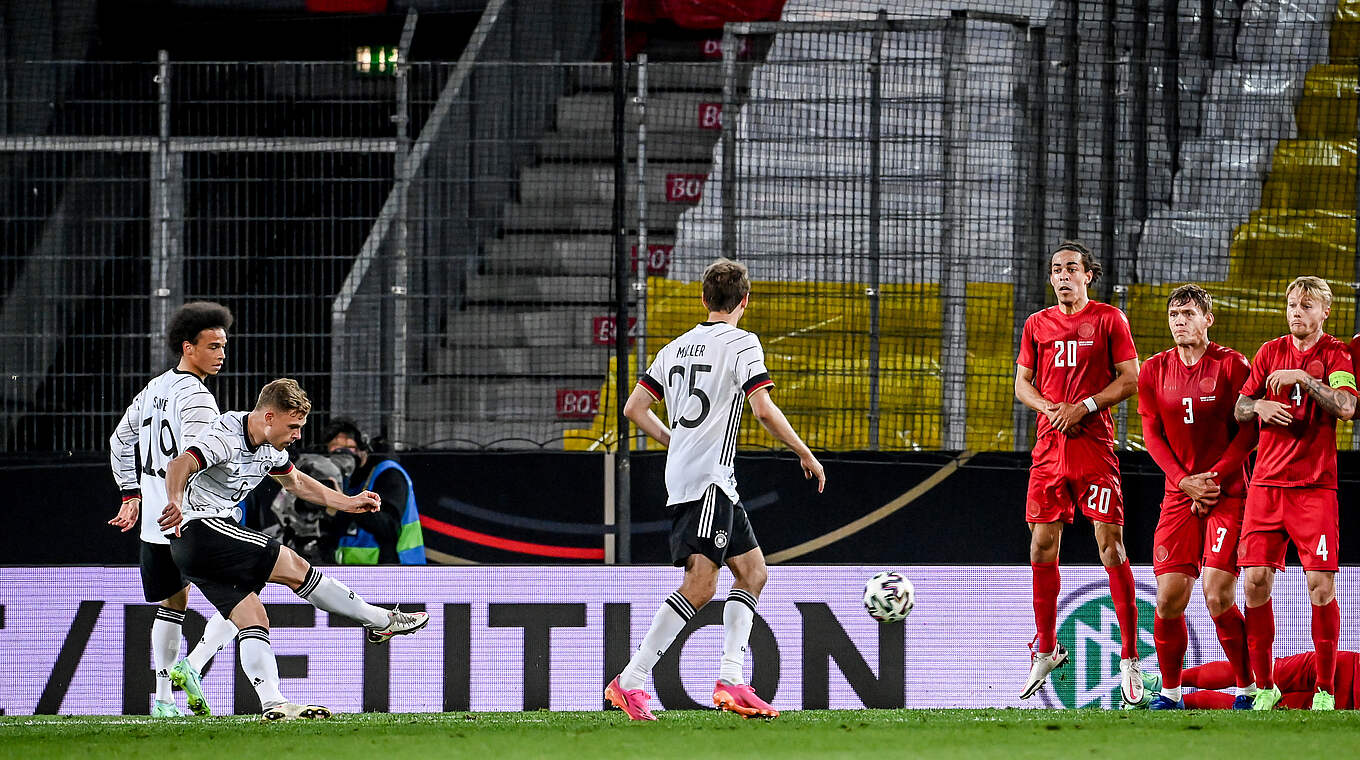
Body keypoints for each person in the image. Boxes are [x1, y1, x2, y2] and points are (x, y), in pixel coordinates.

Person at [604, 258, 825, 721]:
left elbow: (634, 408)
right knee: (701, 585)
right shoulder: (743, 343)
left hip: (702, 479)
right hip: (707, 480)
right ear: (745, 301)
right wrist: (804, 452)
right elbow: (762, 409)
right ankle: (630, 681)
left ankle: (731, 679)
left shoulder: (674, 347)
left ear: (703, 300)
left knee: (753, 573)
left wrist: (673, 441)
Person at [160, 379, 430, 720]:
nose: (298, 434)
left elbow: (298, 482)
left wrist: (347, 502)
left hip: (197, 547)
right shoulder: (226, 435)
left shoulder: (271, 449)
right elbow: (180, 464)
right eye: (294, 426)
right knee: (292, 565)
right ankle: (380, 620)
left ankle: (273, 703)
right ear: (269, 417)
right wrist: (174, 501)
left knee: (252, 617)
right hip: (201, 530)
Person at [1015, 241, 1143, 705]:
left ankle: (1129, 659)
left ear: (1089, 274)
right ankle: (1046, 648)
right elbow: (1021, 384)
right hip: (1050, 448)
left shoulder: (1110, 319)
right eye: (1056, 269)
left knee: (1110, 546)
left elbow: (1131, 378)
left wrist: (1084, 406)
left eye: (1071, 268)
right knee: (1041, 545)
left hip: (1093, 447)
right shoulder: (1037, 324)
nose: (1063, 276)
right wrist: (1050, 408)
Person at [108, 301, 241, 717]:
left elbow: (118, 441)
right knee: (246, 596)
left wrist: (132, 495)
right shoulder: (198, 398)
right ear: (188, 347)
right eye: (213, 346)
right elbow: (201, 456)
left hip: (153, 524)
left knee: (172, 604)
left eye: (224, 345)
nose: (222, 354)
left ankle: (163, 701)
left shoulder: (153, 389)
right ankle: (194, 664)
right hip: (192, 517)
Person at [1233, 276, 1356, 711]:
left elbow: (1346, 407)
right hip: (1265, 486)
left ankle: (1323, 690)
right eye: (1291, 304)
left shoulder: (1337, 354)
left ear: (1325, 311)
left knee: (1321, 587)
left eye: (1306, 305)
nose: (1296, 312)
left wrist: (1304, 376)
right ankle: (1265, 686)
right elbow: (1240, 407)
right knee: (1254, 583)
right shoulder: (1268, 353)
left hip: (1314, 489)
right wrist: (1259, 406)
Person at [1136, 285, 1258, 710]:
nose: (1179, 321)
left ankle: (1248, 689)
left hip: (1228, 493)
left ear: (1209, 319)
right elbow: (1152, 433)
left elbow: (1250, 431)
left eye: (1188, 313)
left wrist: (1215, 477)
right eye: (1173, 314)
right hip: (1179, 494)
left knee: (1217, 592)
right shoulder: (1154, 370)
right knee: (1169, 596)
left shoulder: (1232, 365)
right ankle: (1169, 694)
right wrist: (1183, 480)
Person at [322, 419, 426, 565]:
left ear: (362, 448)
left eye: (348, 446)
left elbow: (388, 528)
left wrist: (347, 503)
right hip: (353, 570)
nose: (342, 453)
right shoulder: (347, 478)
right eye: (335, 447)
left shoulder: (388, 474)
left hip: (395, 570)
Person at [1179, 651, 1359, 709]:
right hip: (1346, 682)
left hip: (1346, 669)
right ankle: (1162, 691)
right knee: (1259, 694)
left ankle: (1163, 687)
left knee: (1257, 680)